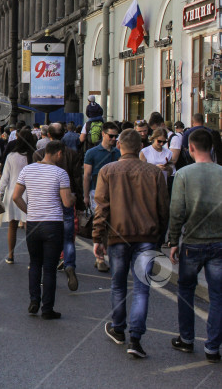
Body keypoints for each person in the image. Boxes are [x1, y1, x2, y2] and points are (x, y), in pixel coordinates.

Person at [93, 129, 168, 358]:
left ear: (119, 146)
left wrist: (97, 237)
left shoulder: (108, 171)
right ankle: (135, 339)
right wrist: (161, 238)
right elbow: (163, 209)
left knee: (117, 285)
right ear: (140, 147)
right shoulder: (154, 173)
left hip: (117, 236)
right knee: (141, 289)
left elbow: (102, 207)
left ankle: (118, 328)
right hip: (146, 237)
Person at [169, 128, 222, 363]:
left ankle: (187, 339)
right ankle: (213, 347)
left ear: (190, 149)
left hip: (192, 242)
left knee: (186, 291)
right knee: (218, 296)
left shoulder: (183, 175)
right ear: (211, 147)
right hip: (219, 242)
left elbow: (177, 212)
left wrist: (172, 241)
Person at [12, 141, 75, 319]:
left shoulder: (27, 170)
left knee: (35, 264)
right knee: (49, 268)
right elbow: (66, 202)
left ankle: (33, 300)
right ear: (59, 154)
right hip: (53, 224)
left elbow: (15, 196)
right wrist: (74, 197)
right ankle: (47, 308)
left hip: (33, 223)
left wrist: (29, 210)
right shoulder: (60, 173)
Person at [33, 123, 84, 290]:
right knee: (68, 237)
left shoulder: (39, 154)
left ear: (48, 135)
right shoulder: (73, 154)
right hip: (67, 200)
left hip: (46, 202)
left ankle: (44, 272)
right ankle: (69, 264)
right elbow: (77, 179)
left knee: (45, 239)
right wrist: (80, 200)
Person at [83, 122, 121, 272]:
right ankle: (99, 258)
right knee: (100, 224)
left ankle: (104, 253)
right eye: (111, 136)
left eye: (115, 136)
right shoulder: (91, 153)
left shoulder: (117, 153)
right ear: (103, 134)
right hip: (96, 192)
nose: (113, 139)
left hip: (115, 193)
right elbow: (86, 175)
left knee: (111, 225)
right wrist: (85, 195)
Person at [0, 128, 35, 263]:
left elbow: (4, 178)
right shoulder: (34, 156)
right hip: (30, 195)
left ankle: (11, 255)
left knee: (12, 226)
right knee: (31, 228)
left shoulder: (12, 156)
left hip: (13, 194)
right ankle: (32, 259)